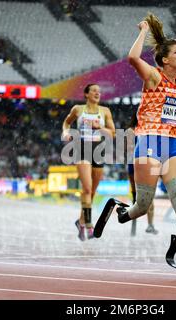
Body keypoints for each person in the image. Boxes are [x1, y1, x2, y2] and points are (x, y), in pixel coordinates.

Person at [94, 13, 176, 257]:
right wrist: (143, 30)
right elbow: (133, 57)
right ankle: (117, 208)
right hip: (150, 141)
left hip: (173, 143)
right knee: (142, 205)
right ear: (164, 60)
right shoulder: (154, 77)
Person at [62, 84, 115, 241]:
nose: (97, 93)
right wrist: (65, 132)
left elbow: (112, 134)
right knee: (86, 188)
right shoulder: (78, 109)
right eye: (94, 91)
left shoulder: (105, 111)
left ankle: (80, 222)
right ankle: (89, 225)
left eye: (99, 91)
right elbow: (66, 123)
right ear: (86, 94)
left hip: (98, 150)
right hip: (82, 149)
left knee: (91, 192)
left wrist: (100, 128)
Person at [126, 111, 158, 235]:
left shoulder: (150, 130)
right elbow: (129, 149)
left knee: (148, 196)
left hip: (144, 163)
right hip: (134, 165)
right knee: (137, 197)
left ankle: (150, 225)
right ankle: (136, 223)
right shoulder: (131, 131)